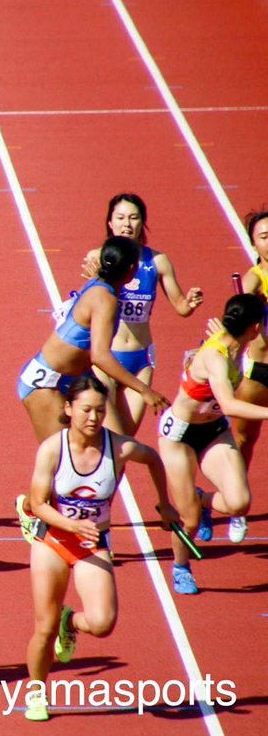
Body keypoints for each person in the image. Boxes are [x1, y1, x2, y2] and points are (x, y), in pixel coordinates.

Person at [22, 373, 178, 721]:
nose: (93, 418)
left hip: (93, 543)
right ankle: (37, 692)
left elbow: (153, 458)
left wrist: (164, 504)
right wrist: (71, 525)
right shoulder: (52, 449)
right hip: (53, 540)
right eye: (86, 410)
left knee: (103, 623)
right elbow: (38, 504)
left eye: (100, 410)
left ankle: (71, 621)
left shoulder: (119, 447)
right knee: (44, 628)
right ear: (68, 409)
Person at [16, 236, 169, 535]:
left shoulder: (103, 285)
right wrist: (144, 390)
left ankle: (70, 521)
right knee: (64, 461)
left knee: (103, 447)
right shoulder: (105, 298)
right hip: (46, 383)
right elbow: (100, 355)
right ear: (131, 270)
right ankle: (33, 511)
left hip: (69, 380)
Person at [160, 294, 267, 593]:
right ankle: (181, 567)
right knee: (190, 520)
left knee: (239, 503)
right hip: (180, 436)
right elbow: (230, 405)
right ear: (255, 328)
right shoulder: (215, 358)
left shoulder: (238, 346)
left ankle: (201, 498)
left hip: (214, 431)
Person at [80, 194, 203, 434]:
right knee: (114, 439)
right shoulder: (97, 258)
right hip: (107, 356)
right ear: (110, 223)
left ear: (142, 223)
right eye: (120, 218)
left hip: (140, 359)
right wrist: (94, 280)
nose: (127, 224)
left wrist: (190, 303)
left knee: (126, 437)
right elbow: (86, 306)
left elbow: (181, 308)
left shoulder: (158, 261)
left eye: (133, 218)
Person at [232, 208, 268, 473]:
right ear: (254, 243)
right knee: (244, 439)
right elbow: (243, 295)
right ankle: (235, 493)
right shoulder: (255, 277)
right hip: (258, 374)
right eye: (264, 237)